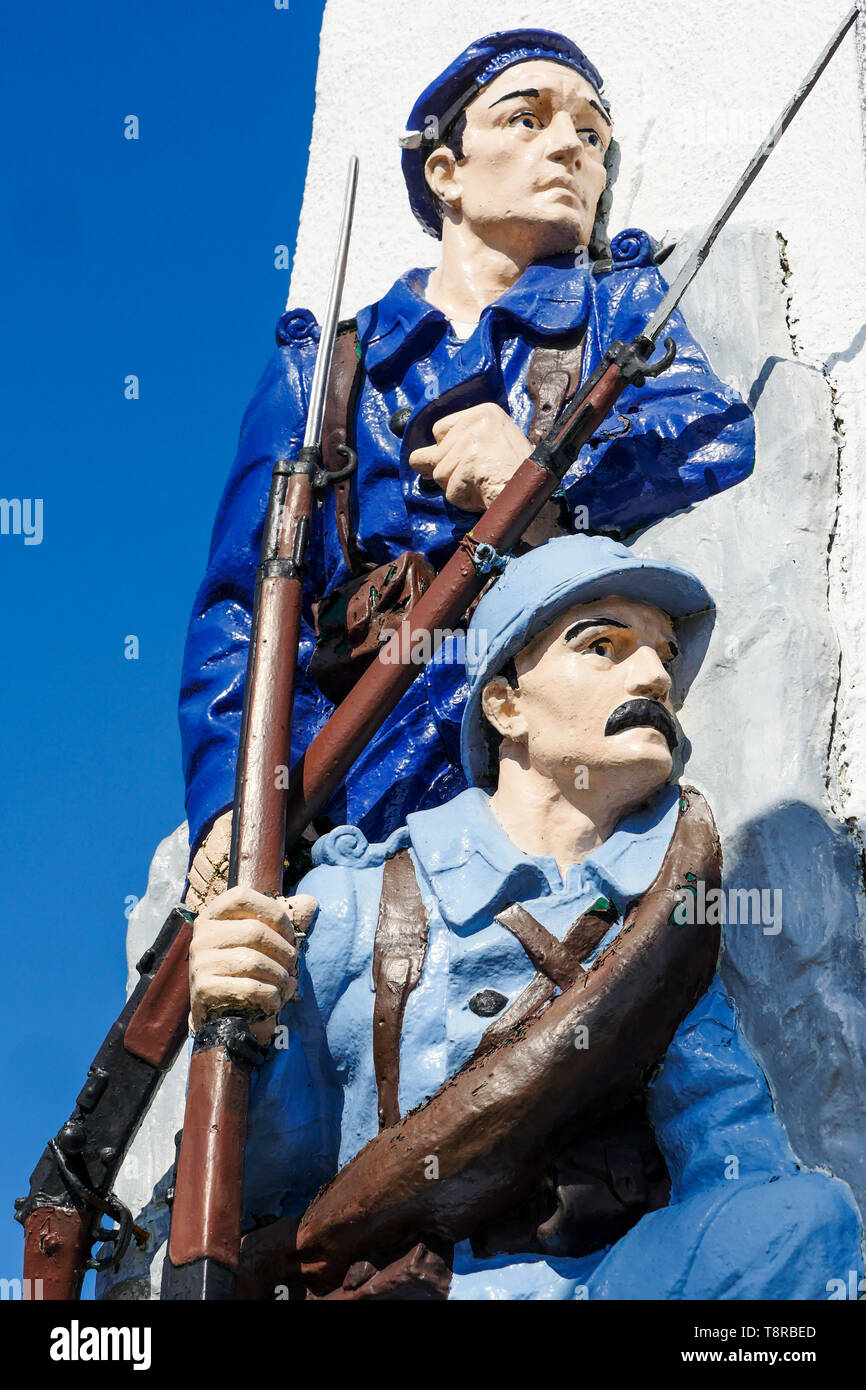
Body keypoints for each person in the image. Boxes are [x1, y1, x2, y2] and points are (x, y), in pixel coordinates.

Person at [188, 535, 860, 1300]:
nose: (654, 676)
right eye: (604, 646)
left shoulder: (660, 928)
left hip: (608, 1287)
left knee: (808, 1218)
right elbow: (265, 1187)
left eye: (665, 657)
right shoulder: (360, 903)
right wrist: (239, 1017)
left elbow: (732, 1148)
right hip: (413, 1290)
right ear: (505, 705)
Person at [179, 30, 755, 908]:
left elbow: (710, 434)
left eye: (592, 136)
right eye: (526, 120)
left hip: (553, 750)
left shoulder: (622, 306)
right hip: (358, 766)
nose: (569, 146)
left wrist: (540, 478)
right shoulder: (330, 369)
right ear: (446, 171)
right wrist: (230, 805)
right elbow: (244, 607)